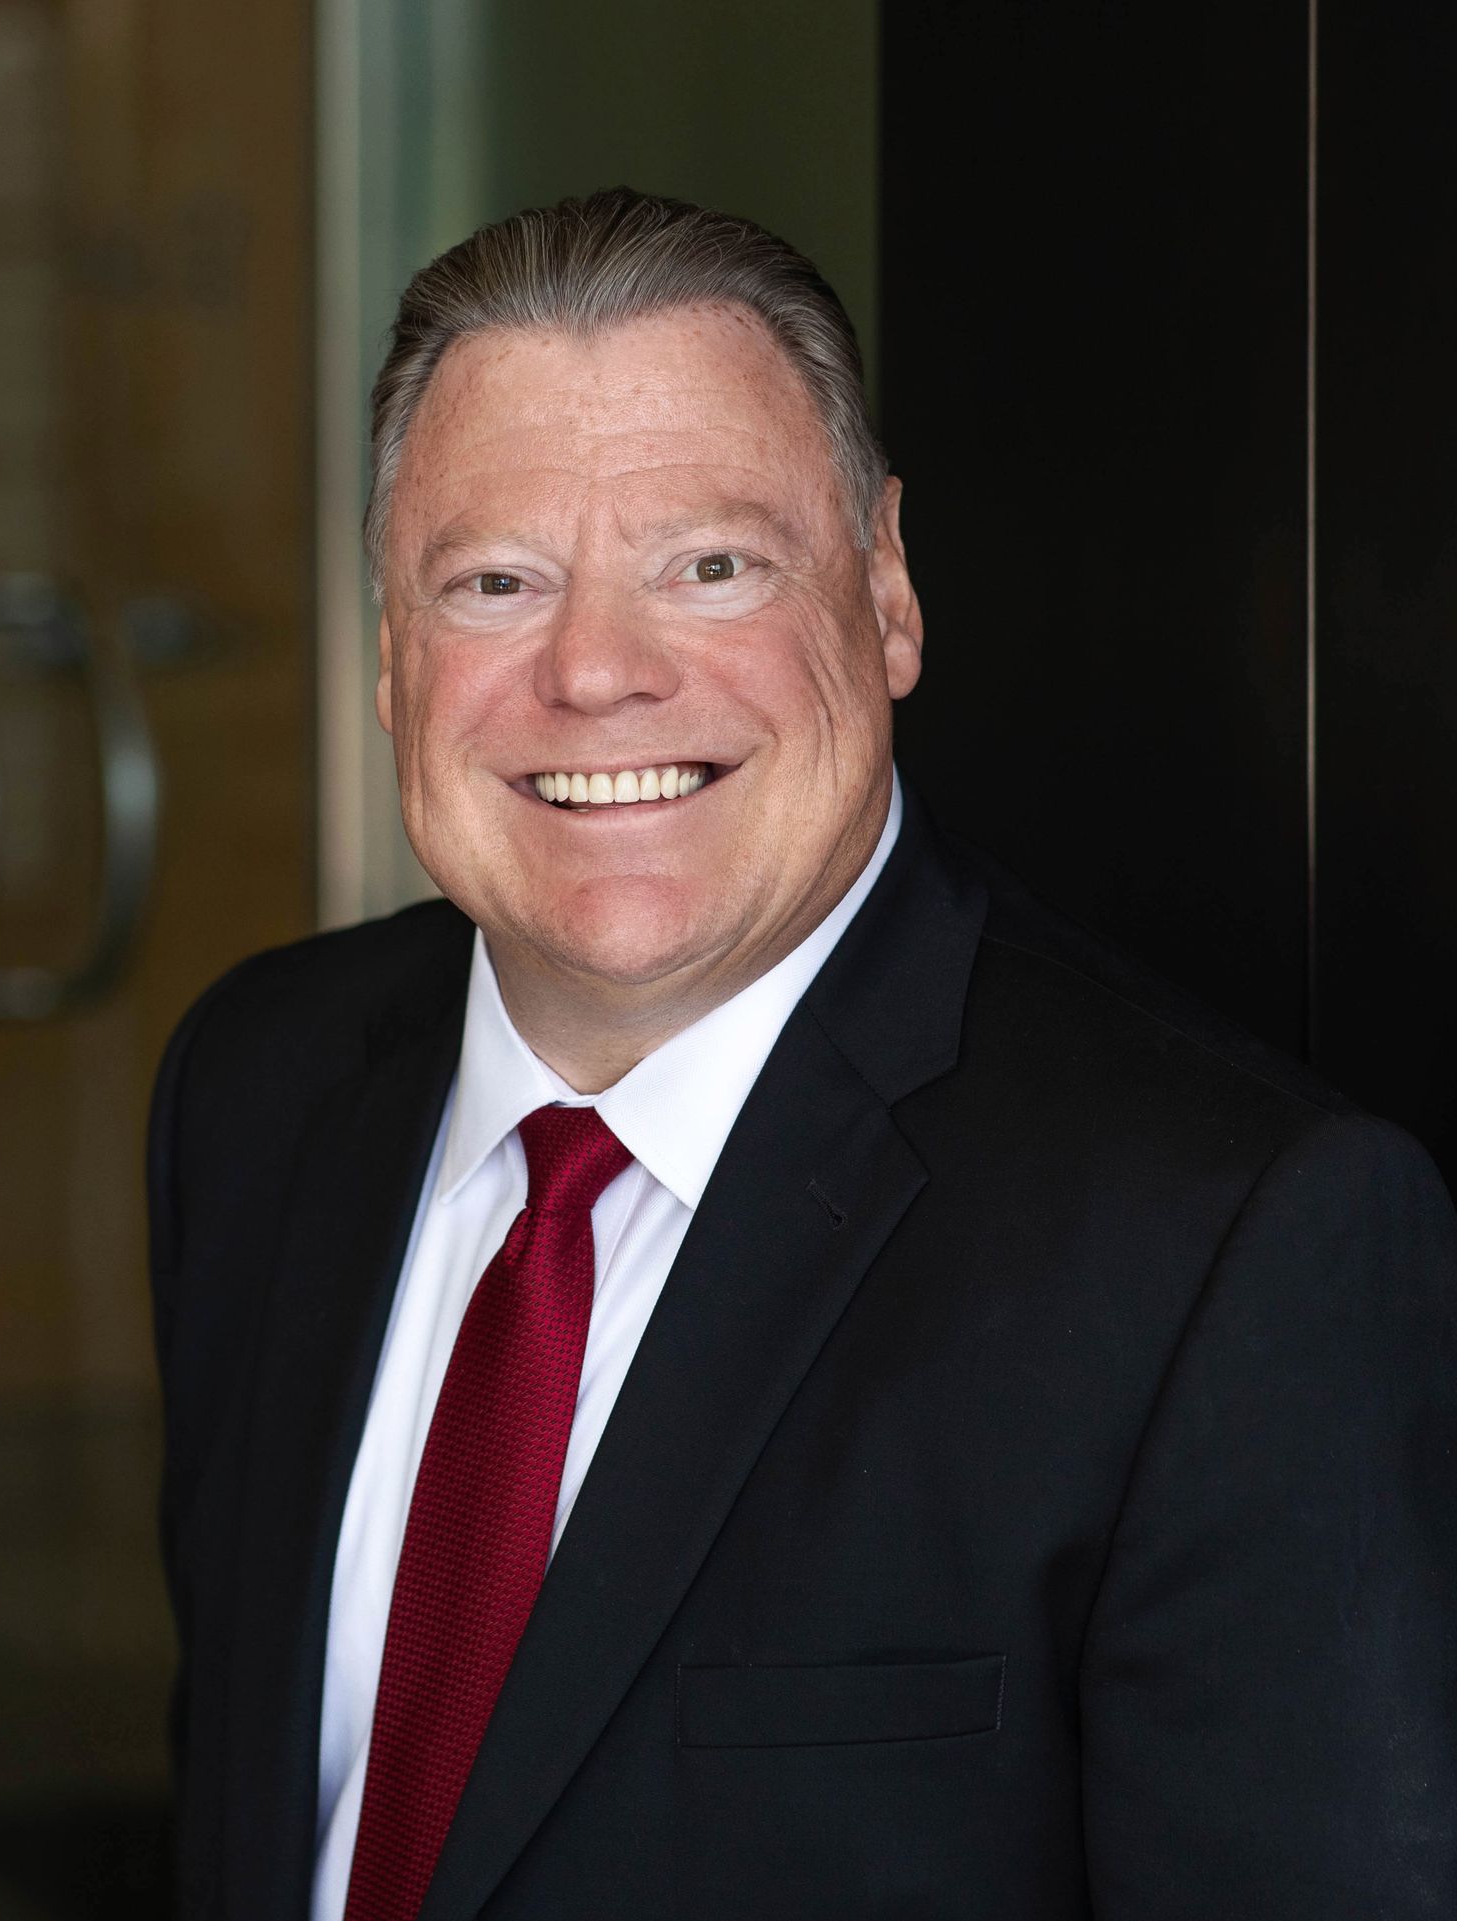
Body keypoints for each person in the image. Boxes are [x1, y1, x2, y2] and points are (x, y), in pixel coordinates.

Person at [146, 187, 1457, 1920]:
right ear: (389, 654)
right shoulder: (254, 1089)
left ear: (889, 592)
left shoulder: (1229, 1245)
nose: (598, 669)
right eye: (495, 581)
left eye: (711, 565)